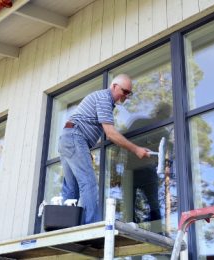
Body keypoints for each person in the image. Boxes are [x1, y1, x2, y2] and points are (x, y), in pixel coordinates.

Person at [58, 74, 151, 224]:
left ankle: (64, 225)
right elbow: (111, 134)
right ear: (114, 86)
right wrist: (136, 149)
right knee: (88, 183)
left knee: (71, 188)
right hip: (75, 137)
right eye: (125, 91)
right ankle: (90, 226)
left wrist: (85, 151)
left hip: (68, 139)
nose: (126, 96)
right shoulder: (104, 98)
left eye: (129, 93)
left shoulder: (103, 100)